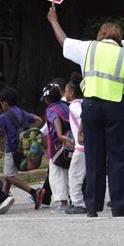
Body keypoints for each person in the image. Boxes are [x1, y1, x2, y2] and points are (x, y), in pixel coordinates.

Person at [47, 6, 124, 217]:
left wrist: (53, 20)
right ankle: (118, 206)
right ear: (119, 38)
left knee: (94, 157)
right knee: (116, 158)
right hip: (115, 106)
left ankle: (92, 207)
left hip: (90, 106)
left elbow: (64, 42)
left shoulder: (88, 48)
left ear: (100, 35)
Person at [0, 87, 44, 209]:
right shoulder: (23, 113)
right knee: (9, 174)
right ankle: (3, 198)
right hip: (23, 149)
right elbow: (39, 120)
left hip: (11, 150)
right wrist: (28, 133)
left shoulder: (3, 117)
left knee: (8, 176)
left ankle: (34, 192)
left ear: (4, 103)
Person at [41, 83, 71, 213]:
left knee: (56, 175)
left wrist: (59, 135)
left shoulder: (51, 110)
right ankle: (73, 200)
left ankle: (63, 203)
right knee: (70, 174)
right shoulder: (66, 106)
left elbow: (56, 119)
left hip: (57, 147)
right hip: (70, 144)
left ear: (47, 99)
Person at [64, 73, 87, 214]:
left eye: (66, 91)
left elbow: (84, 116)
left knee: (74, 175)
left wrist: (79, 133)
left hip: (82, 146)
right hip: (90, 145)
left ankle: (78, 203)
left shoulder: (74, 105)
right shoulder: (84, 102)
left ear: (71, 93)